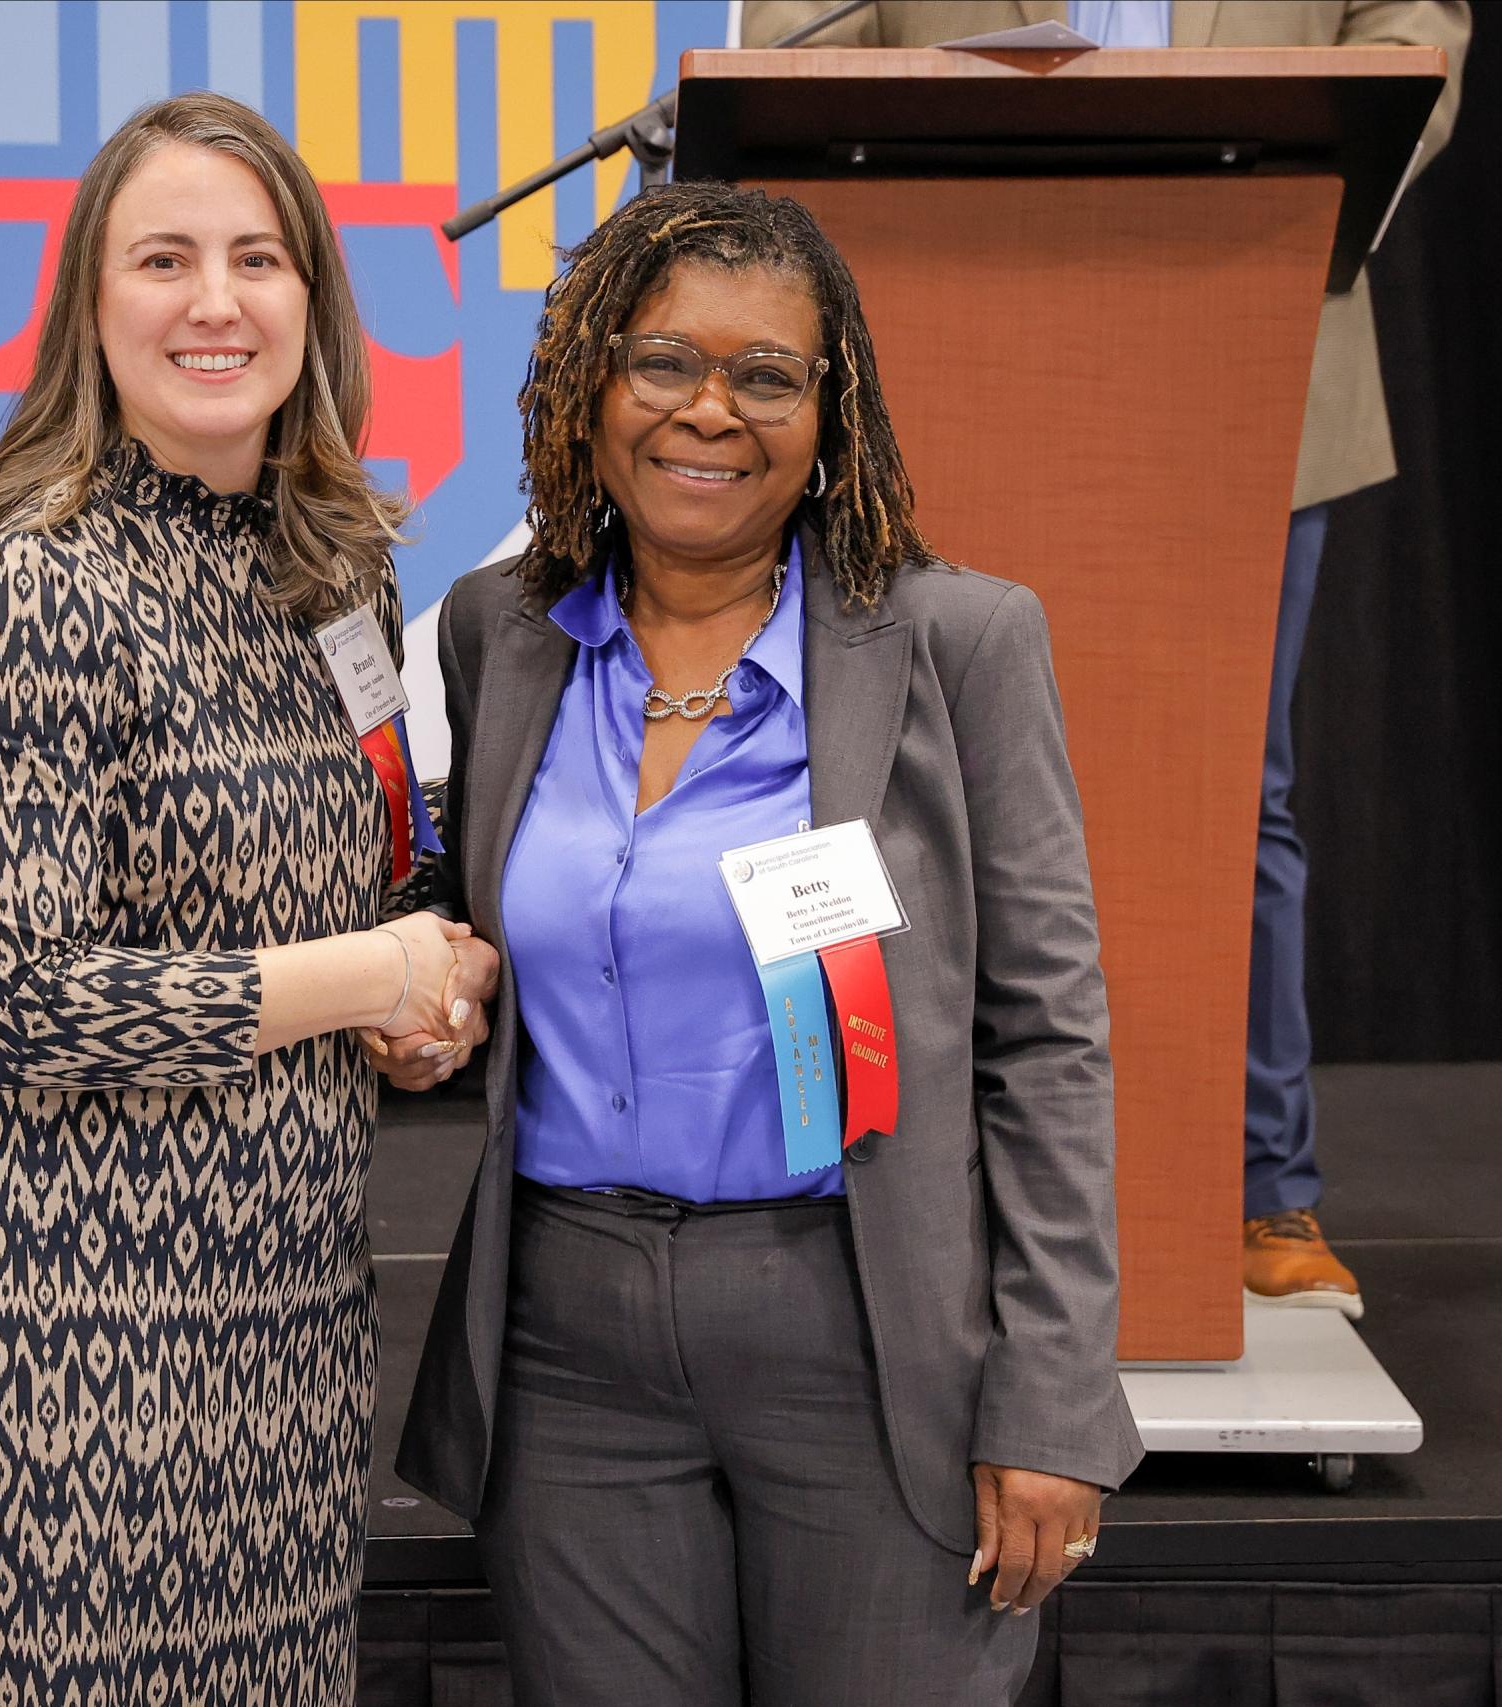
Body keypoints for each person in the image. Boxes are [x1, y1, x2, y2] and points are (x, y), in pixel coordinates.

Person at [382, 180, 1142, 1706]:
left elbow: (1046, 1036)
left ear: (829, 408)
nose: (708, 411)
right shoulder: (500, 633)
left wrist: (1054, 1395)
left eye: (766, 375)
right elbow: (480, 919)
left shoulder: (956, 642)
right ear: (589, 386)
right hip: (567, 1336)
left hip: (862, 1323)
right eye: (661, 361)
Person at [0, 92, 493, 1704]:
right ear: (92, 309)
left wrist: (429, 991)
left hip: (278, 1349)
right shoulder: (26, 591)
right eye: (165, 259)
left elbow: (384, 863)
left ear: (313, 303)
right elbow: (23, 1000)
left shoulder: (342, 572)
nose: (216, 301)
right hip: (49, 1354)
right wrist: (369, 975)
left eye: (258, 258)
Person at [745, 0, 1472, 1316]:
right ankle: (835, 1165)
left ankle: (1263, 1188)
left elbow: (1415, 23)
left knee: (1232, 789)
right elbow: (794, 33)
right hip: (939, 317)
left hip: (1249, 316)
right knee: (867, 773)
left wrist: (1345, 120)